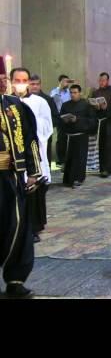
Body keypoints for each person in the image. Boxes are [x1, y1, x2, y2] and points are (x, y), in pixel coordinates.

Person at [0, 56, 42, 298]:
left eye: (4, 79)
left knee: (17, 227)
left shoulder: (16, 105)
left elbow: (30, 139)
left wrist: (34, 173)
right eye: (1, 79)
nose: (3, 83)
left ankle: (15, 279)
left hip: (11, 177)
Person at [11, 68, 53, 243]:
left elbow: (47, 125)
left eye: (24, 80)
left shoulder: (39, 102)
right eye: (17, 80)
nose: (21, 83)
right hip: (11, 156)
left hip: (33, 150)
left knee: (34, 190)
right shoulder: (6, 101)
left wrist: (32, 126)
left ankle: (34, 227)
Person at [60, 85, 98, 188]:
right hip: (69, 136)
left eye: (75, 92)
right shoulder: (65, 105)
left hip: (81, 136)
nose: (73, 95)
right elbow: (61, 120)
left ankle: (78, 178)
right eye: (71, 92)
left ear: (80, 93)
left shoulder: (86, 105)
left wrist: (77, 120)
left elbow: (92, 121)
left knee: (80, 158)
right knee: (70, 159)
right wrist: (65, 120)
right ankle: (68, 179)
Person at [89, 72, 111, 178]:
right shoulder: (96, 93)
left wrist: (106, 108)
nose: (101, 82)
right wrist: (96, 108)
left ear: (108, 81)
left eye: (103, 80)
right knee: (102, 146)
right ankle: (102, 168)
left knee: (110, 147)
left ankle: (108, 169)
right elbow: (91, 108)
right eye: (100, 80)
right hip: (100, 123)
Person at [29, 74, 59, 167]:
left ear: (40, 85)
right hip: (28, 135)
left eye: (37, 84)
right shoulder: (23, 99)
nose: (35, 86)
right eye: (32, 84)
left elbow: (56, 118)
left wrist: (42, 124)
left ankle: (45, 178)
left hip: (44, 136)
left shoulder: (48, 99)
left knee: (44, 160)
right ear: (28, 85)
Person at [50, 74, 73, 168]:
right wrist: (60, 89)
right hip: (60, 117)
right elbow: (53, 100)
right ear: (60, 82)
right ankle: (61, 159)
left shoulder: (69, 92)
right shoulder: (54, 91)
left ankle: (69, 158)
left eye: (67, 81)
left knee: (70, 139)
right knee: (61, 139)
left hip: (70, 117)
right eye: (64, 81)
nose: (66, 83)